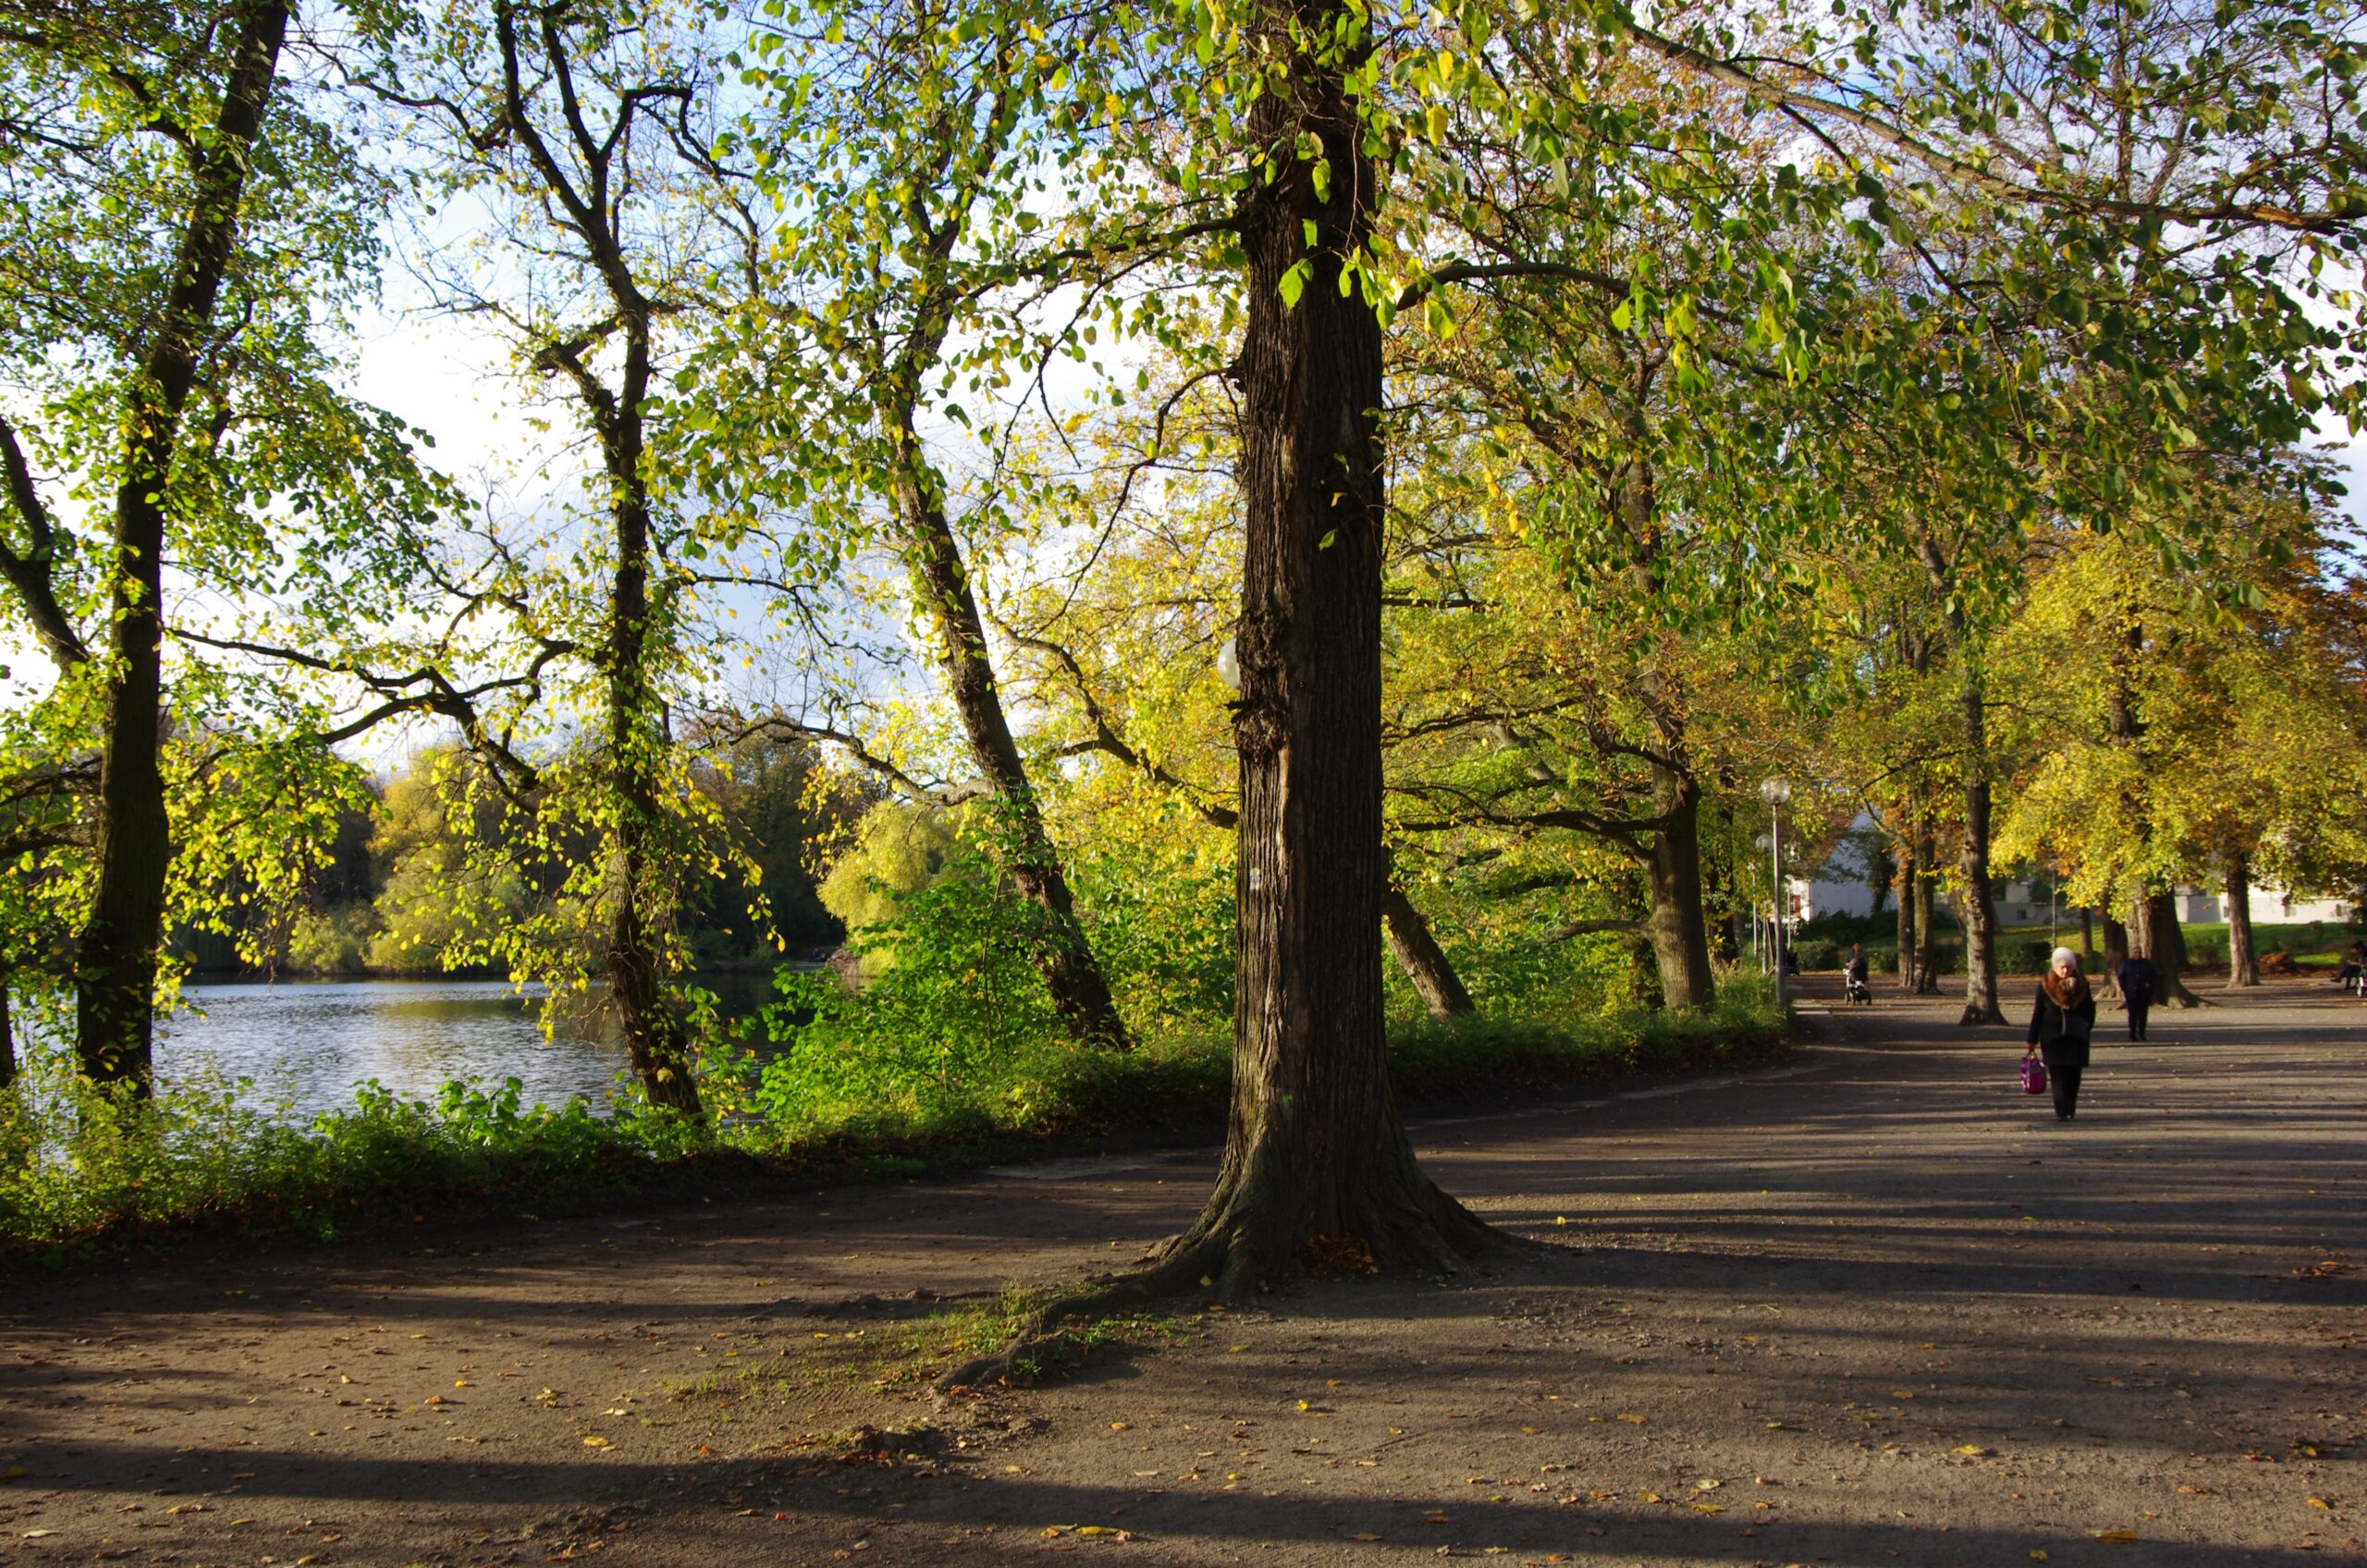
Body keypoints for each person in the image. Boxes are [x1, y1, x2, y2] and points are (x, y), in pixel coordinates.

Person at [2027, 947, 2096, 1121]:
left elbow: (2090, 1009)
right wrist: (2032, 1038)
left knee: (2074, 1076)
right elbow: (2038, 1013)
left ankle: (2071, 1107)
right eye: (2062, 967)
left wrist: (2087, 1026)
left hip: (2076, 1037)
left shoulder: (2082, 985)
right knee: (2057, 1076)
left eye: (2069, 967)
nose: (2065, 971)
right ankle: (2061, 1110)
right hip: (2053, 1037)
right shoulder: (2045, 986)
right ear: (2055, 968)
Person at [2116, 949, 2159, 1041]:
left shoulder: (2147, 964)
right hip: (2131, 993)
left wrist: (2150, 987)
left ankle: (2142, 1032)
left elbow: (2154, 976)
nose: (2137, 954)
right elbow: (2121, 977)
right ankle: (2132, 1032)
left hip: (2144, 993)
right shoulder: (2127, 964)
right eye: (2135, 953)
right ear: (2132, 953)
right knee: (2132, 1014)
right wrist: (2125, 988)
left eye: (2139, 953)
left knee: (2143, 1014)